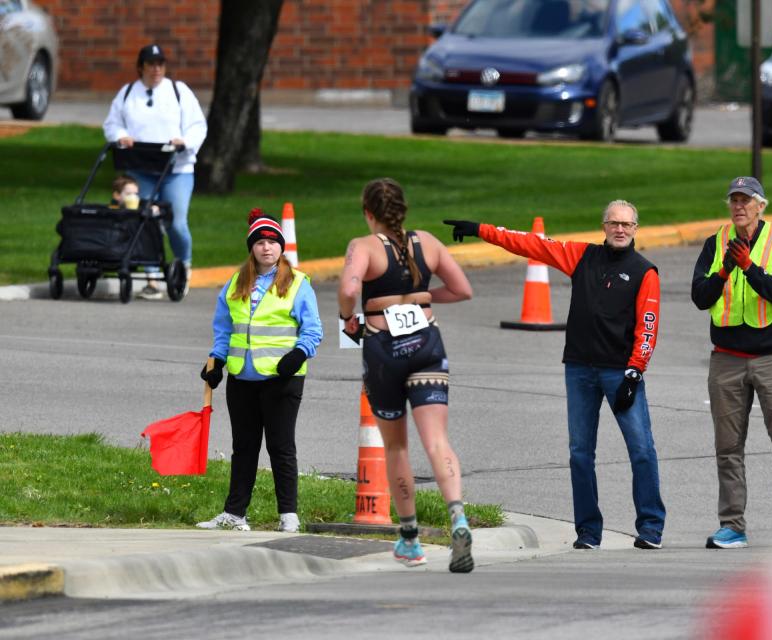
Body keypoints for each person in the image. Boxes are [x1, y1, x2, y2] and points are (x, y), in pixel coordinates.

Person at [444, 201, 666, 551]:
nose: (620, 229)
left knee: (641, 449)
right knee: (580, 453)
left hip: (620, 373)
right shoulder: (581, 256)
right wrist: (480, 229)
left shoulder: (645, 272)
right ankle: (588, 532)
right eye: (614, 223)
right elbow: (531, 243)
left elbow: (648, 326)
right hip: (579, 369)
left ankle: (651, 526)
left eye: (627, 224)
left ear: (636, 228)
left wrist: (635, 372)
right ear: (604, 226)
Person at [338, 178, 475, 572]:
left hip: (384, 347)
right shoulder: (427, 242)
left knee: (397, 447)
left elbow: (349, 288)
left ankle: (410, 537)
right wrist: (426, 299)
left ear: (368, 213)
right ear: (403, 210)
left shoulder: (363, 247)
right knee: (438, 441)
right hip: (428, 344)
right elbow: (462, 289)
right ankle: (458, 517)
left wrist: (350, 317)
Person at [690, 176, 772, 549]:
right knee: (728, 447)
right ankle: (732, 526)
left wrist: (748, 267)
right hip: (727, 359)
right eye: (734, 200)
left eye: (746, 200)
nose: (739, 207)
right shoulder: (715, 244)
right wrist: (726, 269)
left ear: (762, 206)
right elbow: (700, 296)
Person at [196, 209, 323, 533]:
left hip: (282, 378)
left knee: (281, 446)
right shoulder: (235, 284)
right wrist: (217, 362)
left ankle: (288, 515)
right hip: (242, 379)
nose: (267, 248)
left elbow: (313, 330)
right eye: (260, 242)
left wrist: (299, 353)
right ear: (251, 248)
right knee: (244, 447)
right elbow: (224, 330)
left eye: (272, 242)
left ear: (281, 247)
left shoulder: (297, 283)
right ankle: (235, 513)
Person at [102, 43, 207, 300]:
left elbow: (197, 125)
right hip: (141, 167)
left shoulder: (178, 92)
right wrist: (121, 136)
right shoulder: (128, 94)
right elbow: (112, 124)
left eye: (160, 64)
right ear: (141, 67)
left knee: (176, 222)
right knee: (144, 221)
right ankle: (151, 278)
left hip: (177, 168)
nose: (156, 69)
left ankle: (183, 265)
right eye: (151, 64)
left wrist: (184, 141)